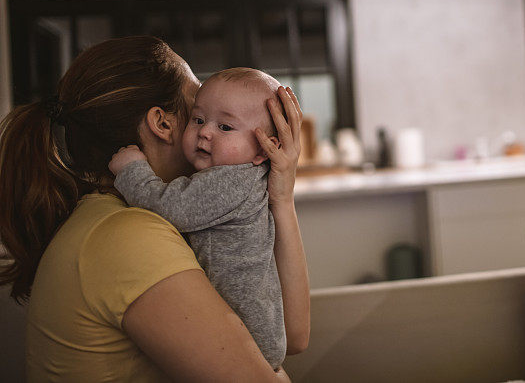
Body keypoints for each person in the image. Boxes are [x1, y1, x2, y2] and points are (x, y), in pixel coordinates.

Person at [0, 36, 309, 381]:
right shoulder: (130, 236)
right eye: (197, 113)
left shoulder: (115, 217)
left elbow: (293, 338)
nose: (207, 132)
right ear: (162, 123)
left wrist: (281, 197)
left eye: (224, 125)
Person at [108, 68, 289, 369]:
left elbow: (170, 207)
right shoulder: (236, 176)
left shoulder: (231, 180)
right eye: (199, 119)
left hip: (247, 335)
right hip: (247, 331)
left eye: (226, 127)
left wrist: (132, 170)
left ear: (263, 150)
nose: (205, 132)